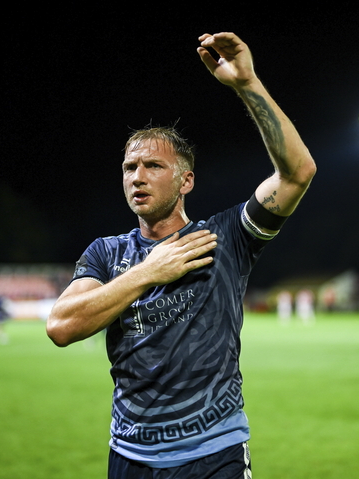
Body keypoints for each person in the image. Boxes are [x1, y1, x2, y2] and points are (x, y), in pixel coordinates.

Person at [46, 32, 316, 476]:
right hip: (131, 456)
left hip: (214, 453)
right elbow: (61, 327)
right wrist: (148, 273)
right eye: (130, 167)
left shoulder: (225, 236)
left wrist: (246, 83)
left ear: (186, 181)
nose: (138, 176)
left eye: (154, 166)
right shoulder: (106, 253)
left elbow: (298, 172)